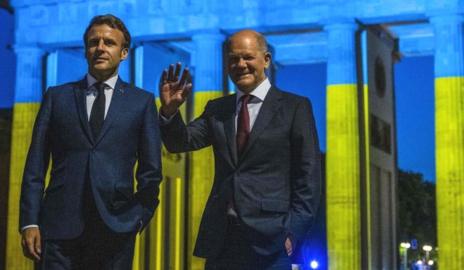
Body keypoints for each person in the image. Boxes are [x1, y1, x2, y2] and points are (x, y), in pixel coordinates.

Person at [159, 29, 321, 270]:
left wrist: (292, 232)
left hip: (273, 241)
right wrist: (170, 112)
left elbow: (308, 176)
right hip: (222, 240)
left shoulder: (295, 107)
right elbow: (180, 142)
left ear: (266, 59)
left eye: (247, 57)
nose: (240, 64)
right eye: (233, 59)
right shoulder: (217, 109)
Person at [19, 14, 161, 269]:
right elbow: (35, 165)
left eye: (109, 42)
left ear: (124, 52)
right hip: (57, 229)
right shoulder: (57, 97)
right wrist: (30, 221)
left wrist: (138, 218)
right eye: (94, 42)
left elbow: (151, 172)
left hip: (116, 229)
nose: (101, 48)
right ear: (85, 50)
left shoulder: (142, 102)